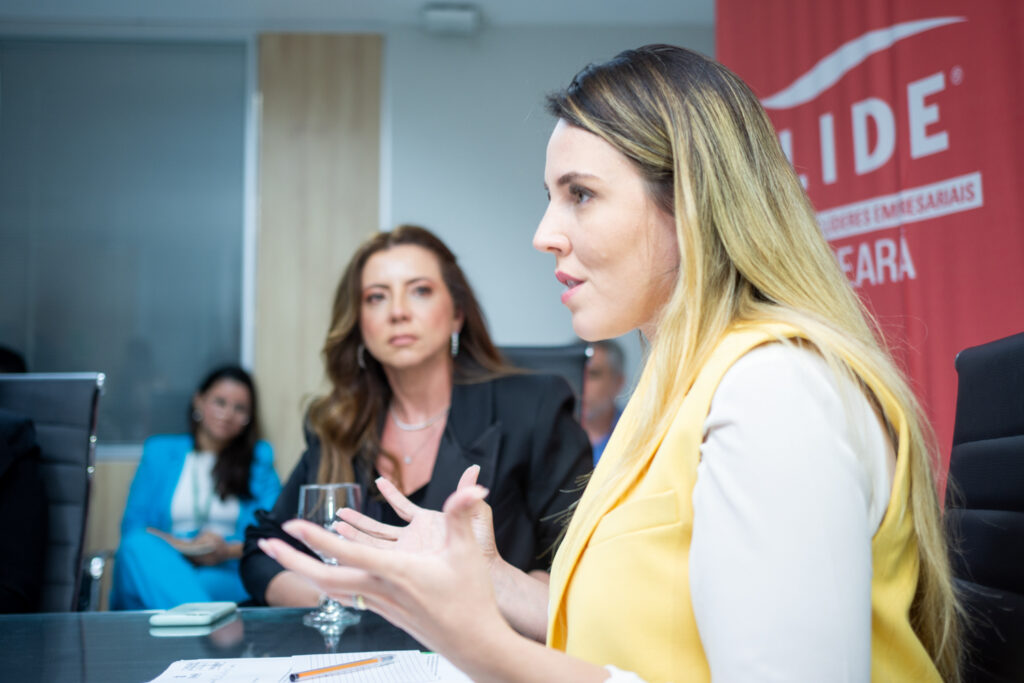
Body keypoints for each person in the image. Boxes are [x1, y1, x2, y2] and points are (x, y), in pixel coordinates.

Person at [257, 45, 961, 682]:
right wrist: (487, 576)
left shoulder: (776, 389)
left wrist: (475, 640)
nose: (543, 234)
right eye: (550, 198)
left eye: (580, 194)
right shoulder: (672, 390)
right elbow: (625, 632)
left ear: (689, 201)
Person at [240, 224, 592, 606]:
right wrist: (353, 601)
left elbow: (575, 566)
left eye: (420, 291)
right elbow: (265, 551)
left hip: (486, 652)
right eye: (376, 297)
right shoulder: (338, 424)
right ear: (359, 324)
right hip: (361, 655)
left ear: (457, 314)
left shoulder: (533, 406)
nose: (398, 312)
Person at [111, 365, 280, 609]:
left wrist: (226, 551)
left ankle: (196, 627)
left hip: (225, 569)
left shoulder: (258, 459)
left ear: (248, 418)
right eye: (220, 402)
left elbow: (273, 533)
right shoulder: (159, 452)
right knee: (136, 546)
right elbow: (134, 526)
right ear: (199, 402)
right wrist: (186, 547)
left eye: (240, 408)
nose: (228, 413)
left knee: (199, 583)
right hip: (165, 560)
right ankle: (206, 627)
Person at [581, 340, 625, 464]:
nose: (581, 383)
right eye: (577, 373)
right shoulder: (549, 437)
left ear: (618, 382)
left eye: (593, 374)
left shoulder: (641, 434)